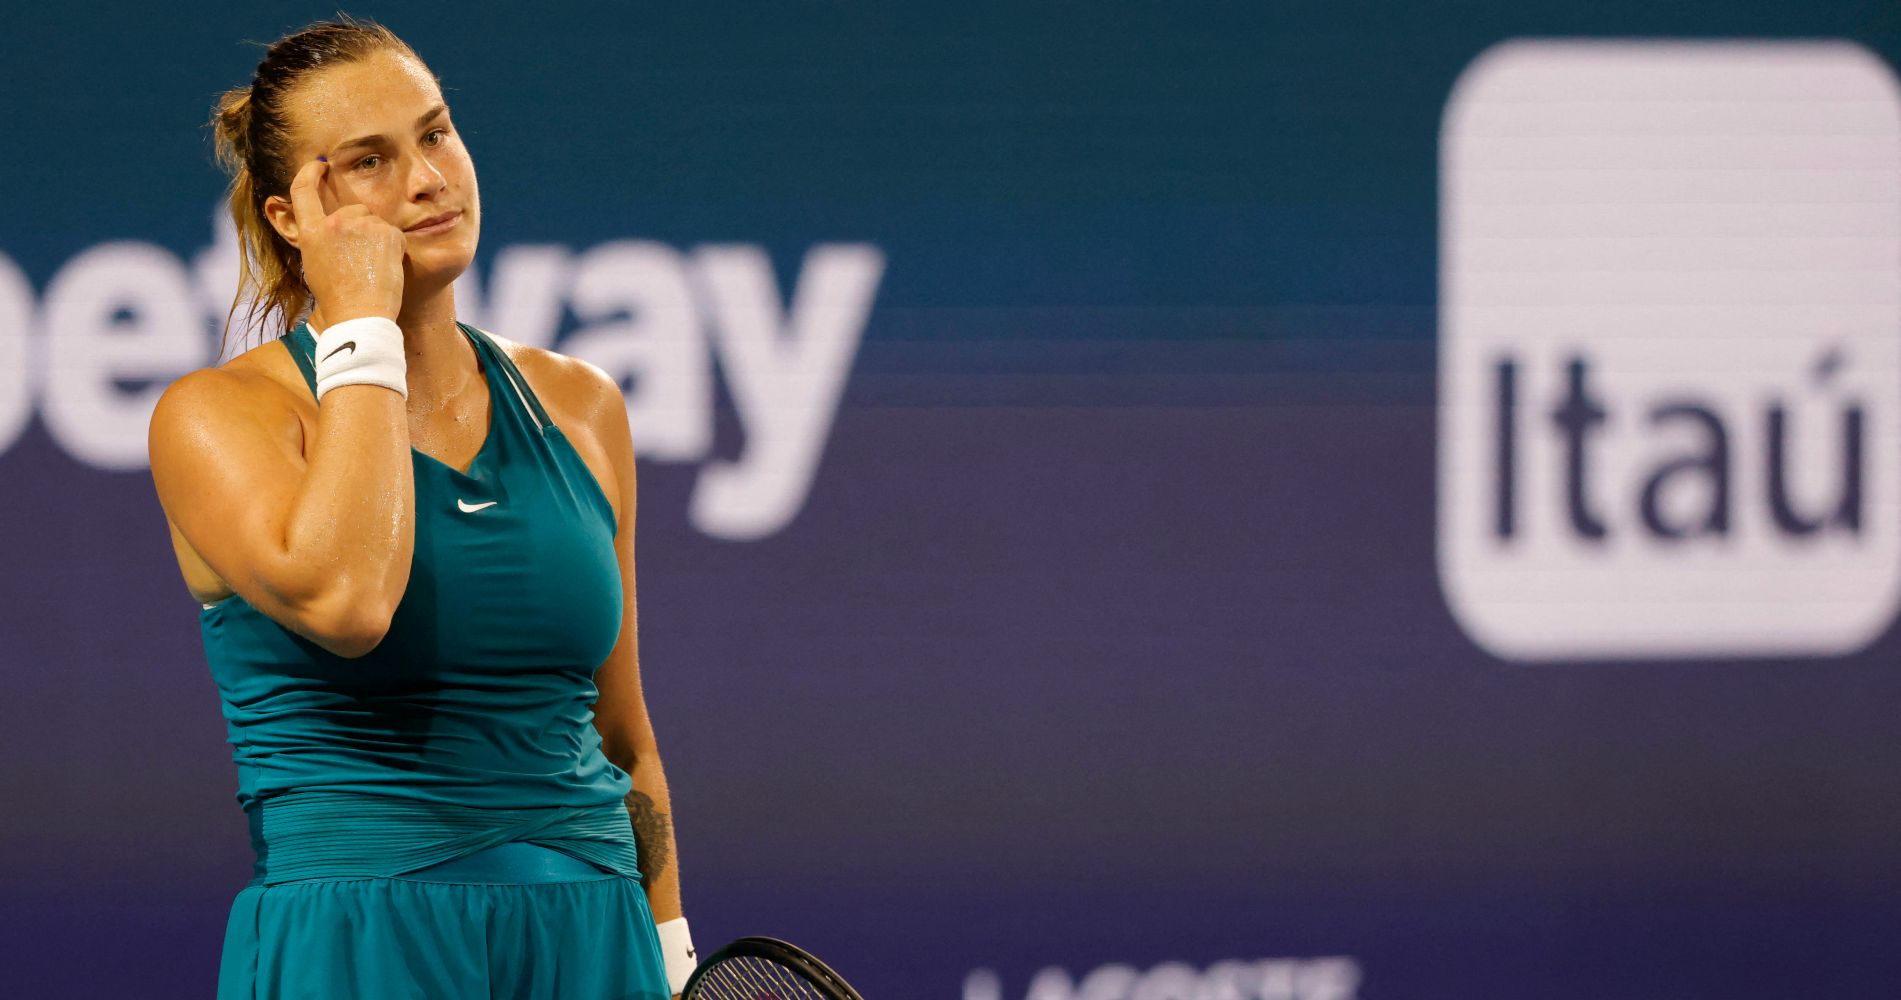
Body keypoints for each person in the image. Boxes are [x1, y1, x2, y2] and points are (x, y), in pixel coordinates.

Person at [146, 17, 695, 999]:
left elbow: (623, 735)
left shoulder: (581, 405)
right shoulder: (217, 416)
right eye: (369, 160)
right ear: (290, 216)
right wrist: (358, 321)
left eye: (436, 134)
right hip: (359, 946)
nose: (428, 178)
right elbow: (350, 600)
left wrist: (672, 953)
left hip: (595, 940)